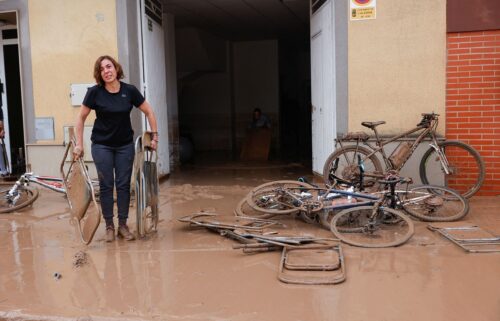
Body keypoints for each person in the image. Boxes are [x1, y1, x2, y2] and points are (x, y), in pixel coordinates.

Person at [74, 55, 158, 242]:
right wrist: (79, 144)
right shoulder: (95, 93)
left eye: (109, 67)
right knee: (106, 185)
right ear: (99, 74)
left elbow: (149, 111)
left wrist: (154, 136)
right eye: (102, 69)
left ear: (116, 69)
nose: (107, 71)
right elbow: (80, 118)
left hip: (124, 145)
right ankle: (109, 226)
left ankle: (123, 225)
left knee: (123, 185)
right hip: (102, 145)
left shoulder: (129, 91)